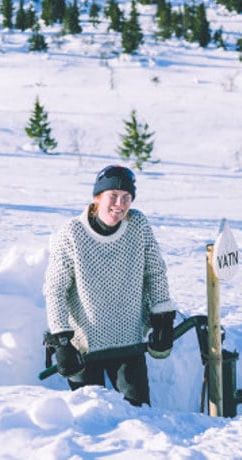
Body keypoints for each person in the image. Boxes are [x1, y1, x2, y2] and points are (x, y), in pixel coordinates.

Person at [43, 164, 176, 407]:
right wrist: (61, 339)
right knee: (91, 419)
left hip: (128, 341)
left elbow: (155, 272)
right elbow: (55, 289)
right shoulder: (71, 233)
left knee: (139, 415)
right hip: (84, 346)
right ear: (97, 198)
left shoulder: (138, 225)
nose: (119, 204)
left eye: (126, 198)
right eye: (112, 196)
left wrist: (162, 318)